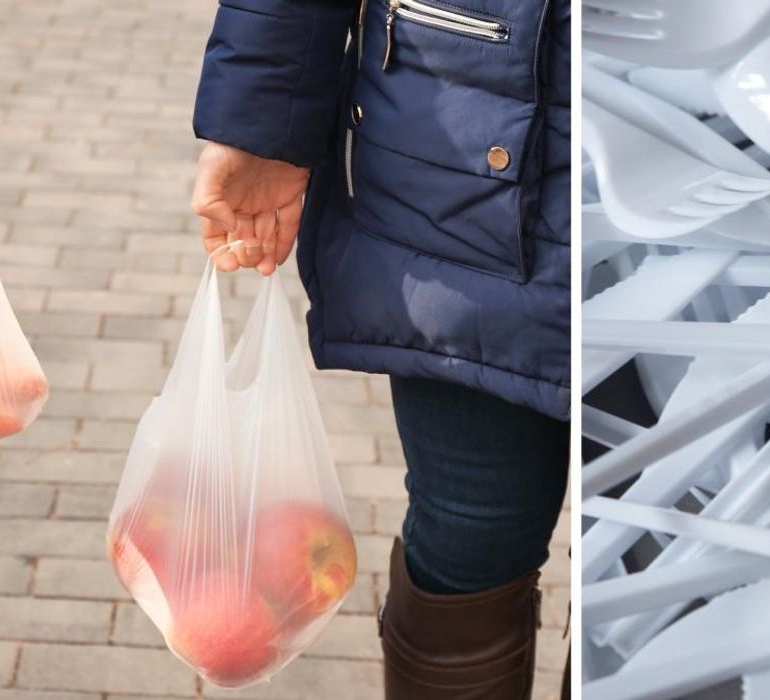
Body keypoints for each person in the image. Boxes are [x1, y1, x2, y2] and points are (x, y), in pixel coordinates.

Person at [190, 1, 570, 698]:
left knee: (664, 538)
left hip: (725, 142)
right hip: (462, 133)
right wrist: (260, 123)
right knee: (470, 527)